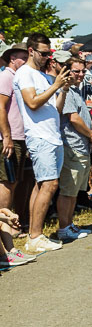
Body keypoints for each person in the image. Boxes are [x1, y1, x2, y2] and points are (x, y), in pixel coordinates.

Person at [14, 33, 70, 254]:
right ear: (31, 51)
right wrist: (56, 85)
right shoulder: (25, 73)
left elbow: (55, 108)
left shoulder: (42, 76)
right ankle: (35, 236)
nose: (48, 57)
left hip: (52, 135)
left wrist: (63, 89)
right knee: (50, 185)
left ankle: (34, 235)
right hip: (40, 136)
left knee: (42, 185)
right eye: (44, 53)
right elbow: (32, 102)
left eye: (50, 53)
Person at [54, 56, 92, 242]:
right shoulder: (66, 91)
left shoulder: (76, 90)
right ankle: (63, 227)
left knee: (75, 191)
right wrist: (91, 133)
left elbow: (83, 115)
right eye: (76, 71)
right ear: (66, 71)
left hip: (81, 146)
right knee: (68, 190)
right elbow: (72, 117)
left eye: (82, 71)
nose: (80, 74)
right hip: (72, 145)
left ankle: (69, 223)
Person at [0, 45, 29, 223]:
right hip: (9, 138)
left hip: (19, 137)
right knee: (6, 182)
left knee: (14, 182)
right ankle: (4, 227)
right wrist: (7, 137)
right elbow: (0, 107)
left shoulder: (18, 77)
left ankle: (11, 223)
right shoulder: (5, 77)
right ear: (12, 58)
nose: (26, 62)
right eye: (23, 58)